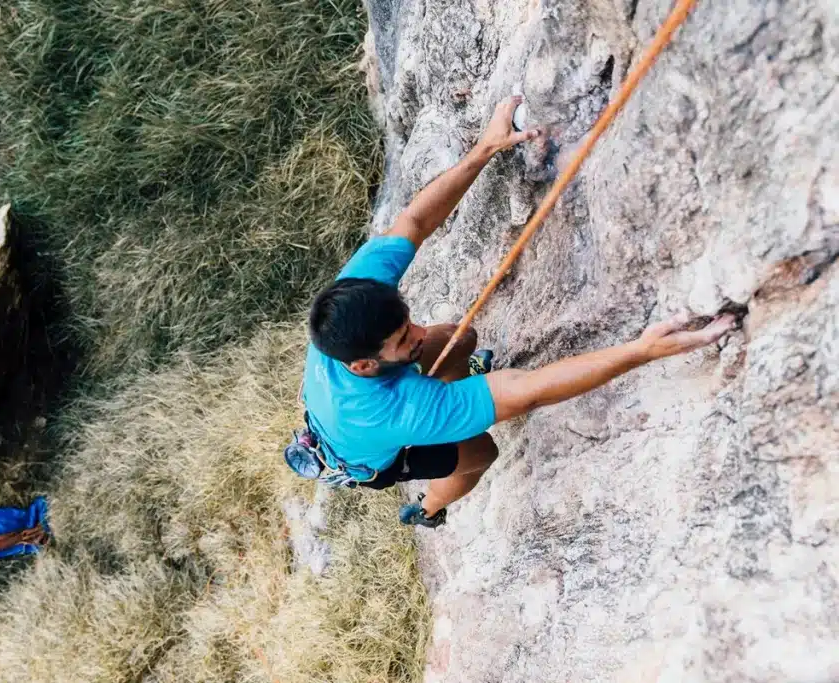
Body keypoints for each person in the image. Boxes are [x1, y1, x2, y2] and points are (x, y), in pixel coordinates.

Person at [302, 96, 735, 528]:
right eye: (401, 339)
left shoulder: (352, 301)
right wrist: (642, 351)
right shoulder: (397, 412)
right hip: (366, 453)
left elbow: (413, 222)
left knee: (458, 337)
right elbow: (528, 390)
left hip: (351, 407)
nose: (416, 331)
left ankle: (457, 392)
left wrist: (485, 149)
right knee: (479, 453)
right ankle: (429, 509)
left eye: (407, 321)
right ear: (361, 363)